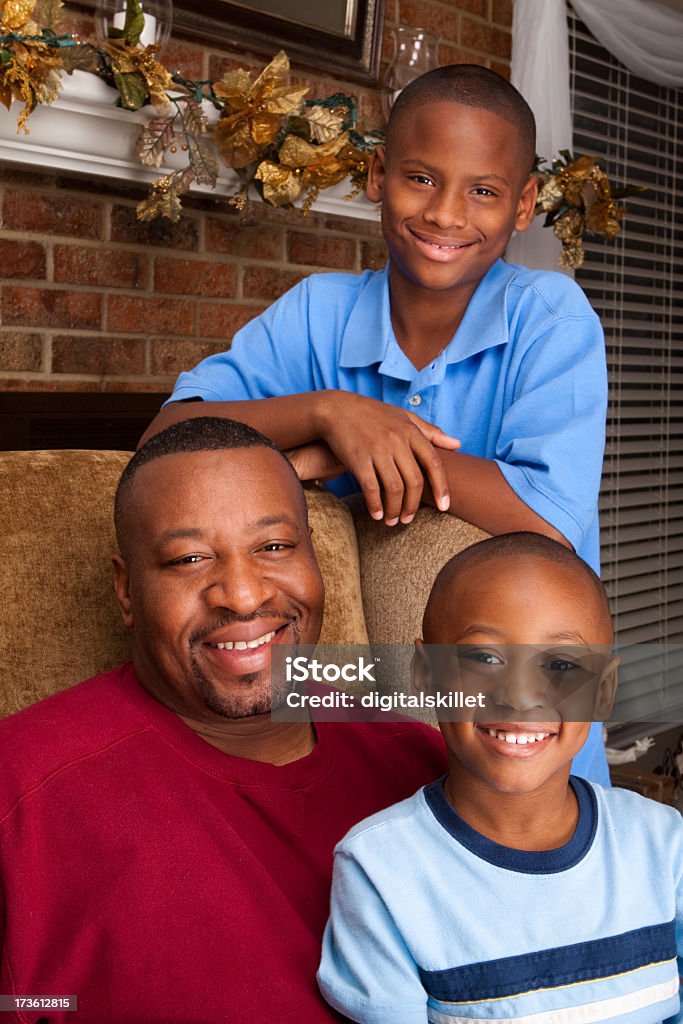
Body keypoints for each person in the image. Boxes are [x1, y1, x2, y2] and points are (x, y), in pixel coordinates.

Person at [144, 64, 608, 781]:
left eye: (482, 191)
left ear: (521, 207)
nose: (445, 215)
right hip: (384, 677)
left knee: (549, 862)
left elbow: (547, 524)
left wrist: (366, 453)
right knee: (372, 826)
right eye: (420, 179)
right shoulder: (317, 311)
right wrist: (333, 412)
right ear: (375, 174)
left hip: (534, 694)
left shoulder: (549, 317)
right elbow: (166, 440)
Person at [0, 417, 447, 1024]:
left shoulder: (415, 749)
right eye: (188, 558)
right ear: (127, 591)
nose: (241, 595)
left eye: (274, 548)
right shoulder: (22, 787)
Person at [317, 533, 683, 1024]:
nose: (519, 695)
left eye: (560, 664)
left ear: (604, 688)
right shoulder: (380, 871)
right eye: (484, 659)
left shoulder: (664, 845)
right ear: (427, 675)